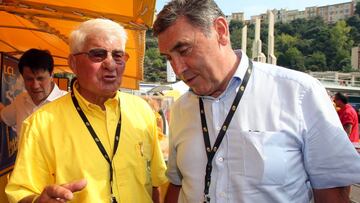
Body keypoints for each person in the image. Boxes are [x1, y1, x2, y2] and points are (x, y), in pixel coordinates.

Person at [153, 0, 360, 202]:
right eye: (169, 58)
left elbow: (333, 190)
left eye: (184, 50)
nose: (178, 69)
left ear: (220, 31)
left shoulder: (300, 93)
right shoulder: (181, 109)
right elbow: (178, 185)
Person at [6, 18, 167, 203]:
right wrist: (36, 201)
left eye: (118, 55)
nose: (111, 64)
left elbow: (155, 184)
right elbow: (21, 193)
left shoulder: (142, 111)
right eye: (98, 55)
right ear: (73, 63)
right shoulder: (40, 124)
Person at [0, 48, 67, 134]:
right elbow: (4, 116)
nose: (35, 85)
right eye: (29, 79)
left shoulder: (69, 103)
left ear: (51, 75)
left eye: (40, 78)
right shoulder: (20, 101)